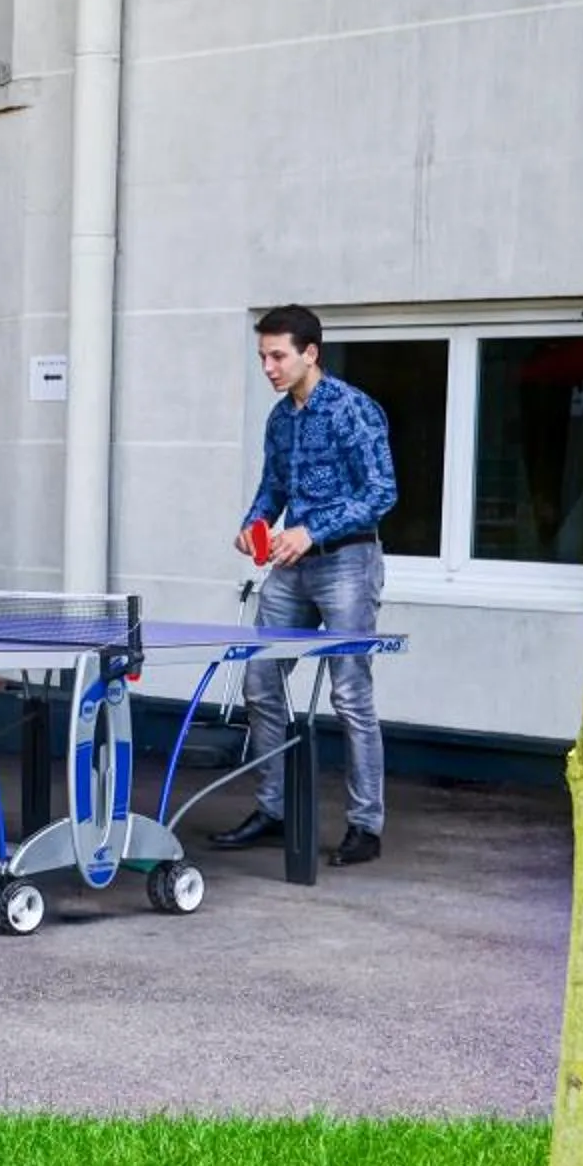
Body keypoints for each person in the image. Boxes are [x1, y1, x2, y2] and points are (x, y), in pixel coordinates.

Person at [211, 304, 398, 867]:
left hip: (346, 562)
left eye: (277, 355)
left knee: (349, 693)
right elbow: (272, 488)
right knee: (260, 681)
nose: (267, 366)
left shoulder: (353, 410)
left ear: (309, 353)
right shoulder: (279, 418)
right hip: (290, 568)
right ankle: (274, 810)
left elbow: (381, 492)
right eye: (262, 357)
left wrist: (311, 530)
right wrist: (254, 525)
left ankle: (366, 826)